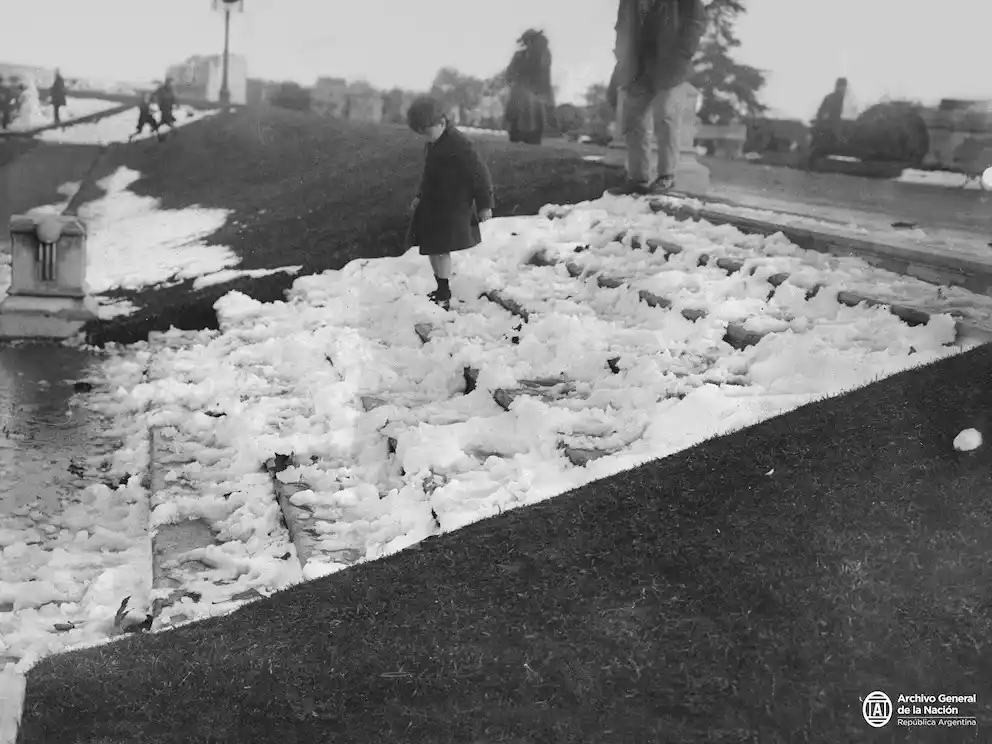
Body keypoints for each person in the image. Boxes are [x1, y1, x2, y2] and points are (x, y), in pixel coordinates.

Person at [606, 0, 707, 196]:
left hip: (670, 65)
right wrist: (622, 55)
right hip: (637, 66)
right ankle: (638, 179)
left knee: (667, 117)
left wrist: (683, 53)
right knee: (633, 121)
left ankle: (666, 176)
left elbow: (695, 21)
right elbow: (622, 23)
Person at [406, 96, 494, 311]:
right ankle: (440, 287)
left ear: (442, 123)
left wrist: (485, 204)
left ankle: (444, 294)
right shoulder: (434, 142)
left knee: (441, 249)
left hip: (452, 206)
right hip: (433, 206)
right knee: (432, 249)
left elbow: (480, 174)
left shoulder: (460, 144)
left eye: (427, 132)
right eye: (421, 133)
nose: (425, 137)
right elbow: (429, 174)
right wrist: (419, 195)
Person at [808, 77, 848, 168]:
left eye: (845, 87)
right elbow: (828, 114)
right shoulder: (837, 97)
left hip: (825, 126)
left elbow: (824, 113)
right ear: (839, 87)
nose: (844, 89)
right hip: (827, 127)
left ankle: (813, 164)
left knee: (819, 148)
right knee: (822, 147)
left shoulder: (834, 97)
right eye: (843, 87)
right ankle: (812, 165)